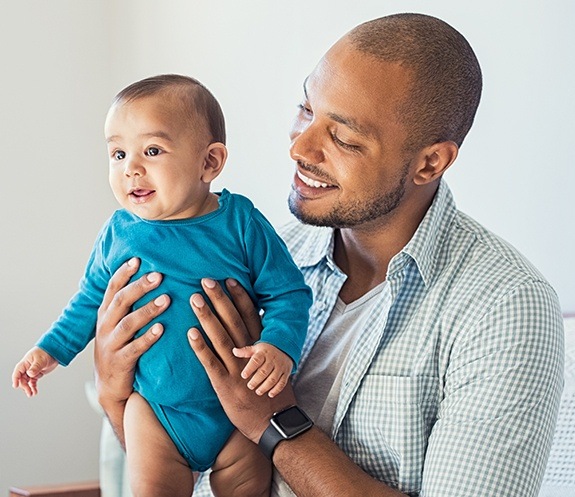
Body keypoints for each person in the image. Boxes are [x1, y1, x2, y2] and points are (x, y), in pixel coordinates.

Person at [94, 13, 565, 497]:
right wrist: (114, 393)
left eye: (343, 137)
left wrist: (277, 424)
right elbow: (182, 458)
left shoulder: (505, 307)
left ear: (430, 162)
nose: (300, 146)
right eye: (305, 108)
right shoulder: (264, 256)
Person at [12, 74, 313, 497]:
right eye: (117, 153)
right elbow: (88, 301)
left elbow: (288, 294)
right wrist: (49, 351)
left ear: (209, 162)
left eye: (152, 150)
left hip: (240, 414)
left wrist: (278, 346)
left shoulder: (240, 222)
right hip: (156, 413)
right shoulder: (119, 231)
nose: (130, 167)